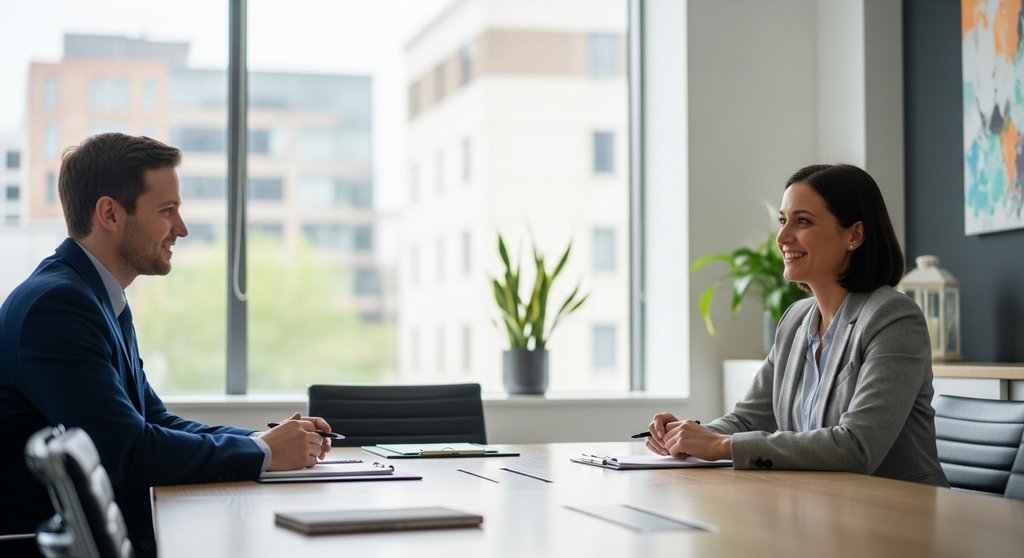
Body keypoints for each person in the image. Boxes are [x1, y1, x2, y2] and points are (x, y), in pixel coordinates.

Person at [0, 133, 335, 555]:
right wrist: (261, 452)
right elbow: (129, 452)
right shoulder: (59, 306)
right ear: (110, 213)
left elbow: (155, 421)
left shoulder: (97, 297)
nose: (182, 228)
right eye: (167, 210)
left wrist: (261, 441)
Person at [646, 163, 948, 487]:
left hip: (900, 514)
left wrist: (719, 446)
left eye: (802, 221)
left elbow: (857, 447)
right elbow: (748, 419)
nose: (782, 237)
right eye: (782, 221)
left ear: (854, 235)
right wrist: (688, 437)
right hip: (822, 507)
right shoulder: (795, 321)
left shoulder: (894, 319)